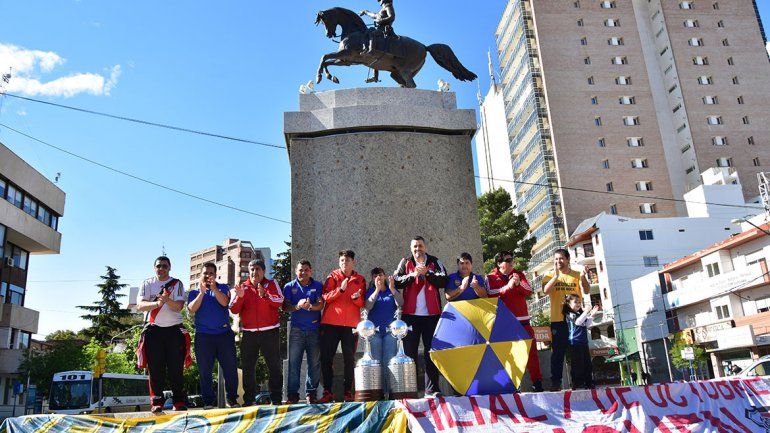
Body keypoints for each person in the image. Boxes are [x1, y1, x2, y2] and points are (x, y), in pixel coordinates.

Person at [394, 236, 448, 397]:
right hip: (410, 316)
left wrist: (428, 273)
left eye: (420, 246)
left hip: (432, 315)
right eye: (415, 247)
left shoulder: (435, 261)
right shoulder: (405, 262)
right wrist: (412, 275)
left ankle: (432, 390)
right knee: (409, 353)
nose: (418, 249)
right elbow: (396, 280)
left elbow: (444, 279)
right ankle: (410, 390)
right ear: (411, 249)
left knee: (431, 352)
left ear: (425, 247)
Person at [137, 256, 188, 413]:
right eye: (158, 266)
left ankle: (178, 401)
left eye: (165, 266)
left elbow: (179, 306)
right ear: (154, 268)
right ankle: (156, 401)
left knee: (176, 368)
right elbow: (140, 305)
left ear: (170, 267)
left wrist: (167, 300)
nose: (161, 268)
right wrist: (158, 303)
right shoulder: (147, 283)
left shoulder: (177, 283)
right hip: (154, 331)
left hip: (174, 330)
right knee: (155, 368)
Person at [230, 259, 284, 406]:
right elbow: (233, 309)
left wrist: (265, 295)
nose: (254, 272)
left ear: (264, 271)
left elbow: (280, 301)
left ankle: (276, 398)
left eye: (258, 269)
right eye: (252, 269)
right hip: (249, 334)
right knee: (248, 368)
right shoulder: (243, 287)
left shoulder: (271, 284)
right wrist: (240, 297)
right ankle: (249, 400)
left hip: (270, 332)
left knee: (274, 366)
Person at [488, 250, 544, 392]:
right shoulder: (490, 277)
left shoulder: (518, 274)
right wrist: (507, 287)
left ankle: (537, 383)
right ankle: (511, 385)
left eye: (512, 259)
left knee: (532, 353)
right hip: (505, 323)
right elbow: (490, 294)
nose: (511, 262)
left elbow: (529, 290)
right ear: (499, 263)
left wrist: (518, 283)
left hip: (524, 322)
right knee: (507, 355)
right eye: (507, 260)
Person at [187, 262, 239, 409]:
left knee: (230, 368)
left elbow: (224, 303)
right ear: (201, 275)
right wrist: (202, 292)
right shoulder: (194, 292)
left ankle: (232, 399)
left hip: (224, 335)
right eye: (205, 273)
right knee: (204, 370)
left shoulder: (223, 287)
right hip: (203, 336)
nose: (208, 275)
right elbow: (191, 309)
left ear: (215, 275)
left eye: (211, 273)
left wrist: (214, 289)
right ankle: (208, 401)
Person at [318, 250, 366, 403]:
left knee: (349, 359)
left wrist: (357, 299)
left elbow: (363, 303)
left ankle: (347, 392)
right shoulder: (332, 276)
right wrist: (341, 290)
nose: (344, 263)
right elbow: (325, 297)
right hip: (330, 324)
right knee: (326, 358)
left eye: (347, 260)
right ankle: (327, 391)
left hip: (350, 326)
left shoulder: (360, 279)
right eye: (342, 260)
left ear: (353, 262)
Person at [543, 248, 591, 391]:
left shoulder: (576, 275)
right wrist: (555, 277)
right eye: (556, 259)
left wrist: (583, 277)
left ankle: (579, 382)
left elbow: (587, 291)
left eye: (561, 258)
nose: (558, 261)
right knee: (557, 352)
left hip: (575, 320)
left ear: (568, 259)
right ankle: (556, 382)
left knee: (578, 352)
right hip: (558, 320)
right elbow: (545, 291)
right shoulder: (549, 275)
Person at [282, 260, 324, 404]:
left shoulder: (318, 285)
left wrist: (310, 306)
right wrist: (298, 306)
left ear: (310, 271)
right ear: (295, 271)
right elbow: (285, 307)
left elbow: (321, 304)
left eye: (306, 270)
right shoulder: (289, 286)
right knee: (294, 364)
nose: (303, 272)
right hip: (296, 331)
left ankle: (311, 394)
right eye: (300, 270)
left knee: (314, 363)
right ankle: (293, 395)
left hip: (314, 329)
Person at [364, 268, 403, 398]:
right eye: (375, 276)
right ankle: (378, 391)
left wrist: (392, 288)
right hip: (374, 332)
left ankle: (390, 391)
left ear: (385, 276)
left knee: (389, 360)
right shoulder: (370, 291)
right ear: (372, 278)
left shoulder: (391, 290)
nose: (378, 277)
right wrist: (376, 289)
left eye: (380, 275)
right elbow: (368, 306)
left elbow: (401, 303)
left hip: (390, 332)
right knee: (376, 360)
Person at [563, 295, 599, 390]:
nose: (578, 304)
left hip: (583, 342)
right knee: (577, 364)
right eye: (576, 302)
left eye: (579, 302)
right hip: (575, 342)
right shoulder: (570, 314)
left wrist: (592, 315)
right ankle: (578, 383)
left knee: (587, 363)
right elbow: (578, 322)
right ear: (569, 304)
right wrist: (586, 311)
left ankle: (589, 382)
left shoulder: (580, 313)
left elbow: (586, 324)